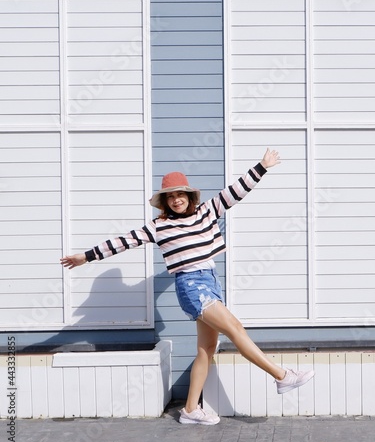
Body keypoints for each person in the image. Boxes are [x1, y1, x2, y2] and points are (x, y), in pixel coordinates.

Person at [60, 148, 315, 425]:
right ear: (164, 202)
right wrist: (85, 256)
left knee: (207, 348)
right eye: (170, 196)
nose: (176, 200)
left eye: (180, 194)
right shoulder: (158, 226)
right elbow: (123, 241)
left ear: (190, 196)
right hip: (192, 285)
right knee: (235, 328)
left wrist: (262, 166)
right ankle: (281, 376)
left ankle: (191, 409)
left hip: (211, 282)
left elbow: (235, 192)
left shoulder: (207, 211)